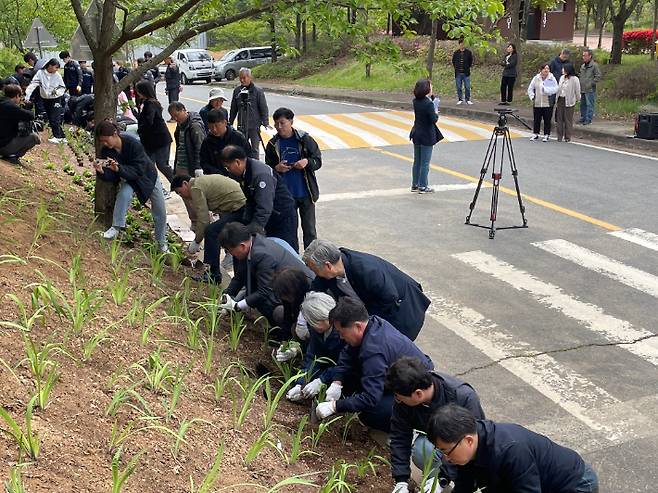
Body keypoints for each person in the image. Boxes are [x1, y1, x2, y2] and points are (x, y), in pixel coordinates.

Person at [314, 297, 434, 432]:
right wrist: (337, 381)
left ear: (358, 326)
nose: (341, 337)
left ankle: (408, 429)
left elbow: (371, 398)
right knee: (350, 383)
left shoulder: (374, 351)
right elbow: (348, 353)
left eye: (342, 333)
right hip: (397, 373)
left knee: (371, 413)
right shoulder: (372, 323)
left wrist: (335, 406)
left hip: (414, 388)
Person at [427, 404, 600, 493]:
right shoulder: (467, 446)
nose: (446, 458)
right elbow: (464, 485)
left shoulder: (510, 450)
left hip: (575, 483)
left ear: (468, 440)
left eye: (447, 451)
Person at [386, 357, 485, 493]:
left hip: (463, 447)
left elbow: (474, 442)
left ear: (418, 394)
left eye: (398, 396)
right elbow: (399, 436)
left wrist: (442, 478)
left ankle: (449, 479)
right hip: (438, 444)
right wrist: (401, 480)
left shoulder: (462, 396)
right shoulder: (405, 400)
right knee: (422, 450)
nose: (397, 399)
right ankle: (434, 480)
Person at [303, 239, 431, 341]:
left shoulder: (366, 270)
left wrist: (365, 322)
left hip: (403, 308)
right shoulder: (331, 270)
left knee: (393, 350)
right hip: (378, 305)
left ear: (328, 265)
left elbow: (389, 298)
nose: (315, 274)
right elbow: (315, 289)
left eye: (315, 270)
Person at [217, 222, 314, 337]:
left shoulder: (262, 254)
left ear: (242, 246)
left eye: (229, 250)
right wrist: (226, 296)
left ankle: (286, 334)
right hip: (280, 288)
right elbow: (239, 277)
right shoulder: (251, 245)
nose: (230, 254)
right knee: (253, 295)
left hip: (299, 293)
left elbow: (264, 291)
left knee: (267, 304)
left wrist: (237, 306)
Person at [93, 121, 168, 252]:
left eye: (106, 140)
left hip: (148, 176)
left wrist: (119, 169)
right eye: (102, 142)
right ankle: (115, 227)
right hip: (129, 177)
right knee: (124, 194)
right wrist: (102, 172)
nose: (105, 144)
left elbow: (139, 169)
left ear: (115, 134)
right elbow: (112, 177)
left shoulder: (133, 143)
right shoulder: (106, 151)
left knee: (160, 209)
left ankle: (161, 243)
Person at [170, 174, 246, 284]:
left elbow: (203, 219)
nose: (181, 195)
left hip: (239, 208)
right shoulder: (199, 182)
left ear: (185, 183)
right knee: (221, 233)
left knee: (211, 231)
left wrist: (197, 241)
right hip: (236, 207)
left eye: (179, 192)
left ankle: (213, 274)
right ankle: (237, 278)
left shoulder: (195, 188)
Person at [221, 145, 298, 251]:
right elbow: (251, 200)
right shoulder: (245, 172)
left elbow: (264, 207)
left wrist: (252, 229)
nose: (228, 171)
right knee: (271, 251)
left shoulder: (260, 175)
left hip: (282, 216)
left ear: (237, 162)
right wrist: (246, 222)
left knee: (286, 251)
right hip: (270, 216)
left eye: (228, 167)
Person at [265, 107, 322, 248]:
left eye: (282, 123)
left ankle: (312, 261)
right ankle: (294, 260)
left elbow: (318, 161)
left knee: (309, 231)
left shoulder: (305, 140)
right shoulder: (272, 144)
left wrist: (307, 162)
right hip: (286, 196)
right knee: (289, 232)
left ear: (291, 121)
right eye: (276, 124)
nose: (279, 127)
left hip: (306, 193)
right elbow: (267, 169)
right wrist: (276, 169)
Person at [285, 291, 346, 401]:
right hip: (329, 371)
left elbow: (345, 364)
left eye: (318, 321)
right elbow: (312, 358)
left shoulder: (344, 332)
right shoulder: (317, 330)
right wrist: (300, 384)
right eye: (312, 322)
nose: (315, 326)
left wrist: (321, 380)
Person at [272, 268, 315, 361]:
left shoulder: (312, 294)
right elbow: (287, 318)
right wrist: (284, 342)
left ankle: (306, 352)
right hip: (299, 321)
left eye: (287, 296)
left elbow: (317, 329)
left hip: (313, 325)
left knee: (297, 329)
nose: (286, 299)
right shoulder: (288, 295)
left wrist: (297, 348)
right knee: (279, 313)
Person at [136, 80, 174, 184]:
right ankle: (153, 186)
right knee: (149, 165)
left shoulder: (150, 104)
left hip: (159, 140)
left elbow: (149, 121)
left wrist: (139, 130)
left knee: (162, 165)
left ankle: (175, 183)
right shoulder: (149, 103)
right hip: (152, 141)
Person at [409, 79, 442, 194]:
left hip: (416, 133)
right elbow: (434, 119)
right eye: (430, 86)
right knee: (425, 162)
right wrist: (435, 109)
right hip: (427, 135)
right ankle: (423, 186)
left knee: (417, 160)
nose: (432, 88)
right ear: (426, 89)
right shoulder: (428, 104)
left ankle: (415, 184)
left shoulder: (416, 101)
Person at [229, 67, 269, 158]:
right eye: (240, 78)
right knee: (241, 147)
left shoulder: (258, 91)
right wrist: (230, 122)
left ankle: (255, 166)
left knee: (255, 149)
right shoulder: (237, 91)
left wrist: (265, 122)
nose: (242, 80)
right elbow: (233, 109)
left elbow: (263, 107)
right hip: (242, 124)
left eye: (244, 78)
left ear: (250, 78)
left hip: (254, 125)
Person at [24, 58, 67, 144]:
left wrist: (56, 92)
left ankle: (58, 136)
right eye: (56, 67)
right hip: (45, 98)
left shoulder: (57, 75)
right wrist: (27, 96)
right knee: (51, 117)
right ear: (50, 66)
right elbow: (33, 84)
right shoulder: (40, 73)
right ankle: (61, 136)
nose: (56, 70)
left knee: (55, 117)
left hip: (55, 98)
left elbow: (62, 87)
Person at [200, 108, 252, 175]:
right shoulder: (207, 142)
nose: (214, 130)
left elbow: (248, 157)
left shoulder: (238, 138)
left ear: (225, 123)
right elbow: (204, 163)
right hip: (217, 179)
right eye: (211, 127)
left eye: (217, 126)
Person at [0, 84, 40, 165]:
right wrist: (27, 106)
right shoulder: (11, 107)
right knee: (34, 137)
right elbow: (30, 116)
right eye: (20, 96)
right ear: (17, 95)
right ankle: (12, 156)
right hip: (2, 146)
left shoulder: (2, 102)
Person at [169, 101, 206, 177]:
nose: (175, 118)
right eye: (173, 117)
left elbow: (200, 147)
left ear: (183, 110)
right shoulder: (180, 125)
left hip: (190, 167)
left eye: (177, 115)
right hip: (180, 165)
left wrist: (198, 167)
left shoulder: (195, 126)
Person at [527, 63, 558, 142]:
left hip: (547, 103)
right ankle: (535, 134)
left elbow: (555, 88)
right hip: (537, 102)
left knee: (547, 119)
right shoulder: (536, 78)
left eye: (548, 69)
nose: (546, 70)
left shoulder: (551, 78)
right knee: (537, 119)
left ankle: (546, 134)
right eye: (545, 68)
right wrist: (532, 96)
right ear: (541, 70)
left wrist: (547, 90)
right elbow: (530, 88)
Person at [555, 64, 581, 143]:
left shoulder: (575, 79)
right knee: (559, 119)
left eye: (564, 69)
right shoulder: (561, 78)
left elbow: (577, 90)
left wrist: (578, 99)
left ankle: (567, 136)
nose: (562, 70)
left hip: (569, 100)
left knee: (568, 119)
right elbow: (558, 89)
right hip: (560, 99)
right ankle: (559, 136)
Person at [578, 49, 602, 125]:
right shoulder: (582, 66)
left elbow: (598, 76)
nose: (583, 57)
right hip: (582, 88)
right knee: (582, 104)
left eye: (585, 55)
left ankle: (588, 119)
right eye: (583, 55)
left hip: (590, 89)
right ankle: (583, 118)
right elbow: (581, 75)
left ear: (589, 56)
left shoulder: (594, 65)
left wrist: (591, 83)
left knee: (590, 104)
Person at [451, 39, 473, 105]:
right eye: (461, 44)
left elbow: (470, 62)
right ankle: (460, 99)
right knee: (459, 87)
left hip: (466, 73)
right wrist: (456, 68)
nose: (462, 45)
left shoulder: (468, 53)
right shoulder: (456, 53)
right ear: (459, 44)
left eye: (464, 44)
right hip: (458, 73)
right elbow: (453, 61)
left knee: (467, 87)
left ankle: (467, 99)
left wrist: (467, 67)